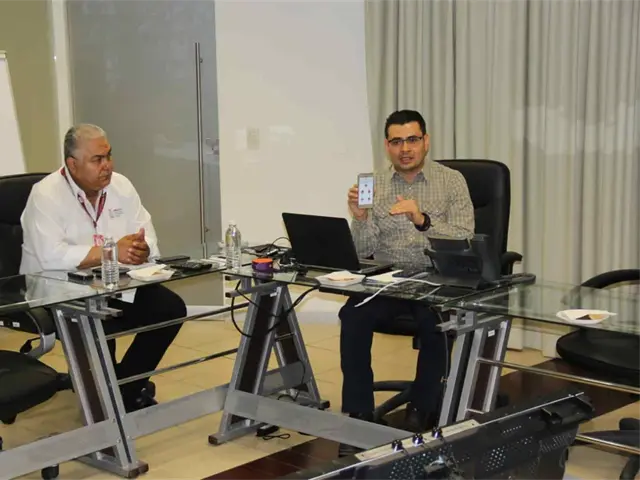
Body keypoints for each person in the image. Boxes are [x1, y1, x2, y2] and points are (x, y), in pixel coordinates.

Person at [20, 123, 186, 412]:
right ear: (73, 164)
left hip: (114, 284)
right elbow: (50, 256)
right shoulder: (45, 195)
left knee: (170, 309)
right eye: (97, 159)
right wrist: (112, 252)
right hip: (60, 292)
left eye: (108, 156)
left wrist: (142, 249)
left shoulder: (121, 186)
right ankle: (109, 400)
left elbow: (146, 234)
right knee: (97, 325)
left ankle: (124, 390)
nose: (107, 165)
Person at [340, 110, 474, 446]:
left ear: (425, 141)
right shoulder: (374, 185)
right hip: (388, 279)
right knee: (353, 315)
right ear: (387, 146)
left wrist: (422, 219)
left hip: (436, 278)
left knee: (436, 325)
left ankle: (421, 410)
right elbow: (363, 251)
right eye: (397, 142)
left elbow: (465, 238)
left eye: (412, 140)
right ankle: (359, 413)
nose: (405, 149)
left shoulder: (451, 181)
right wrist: (360, 219)